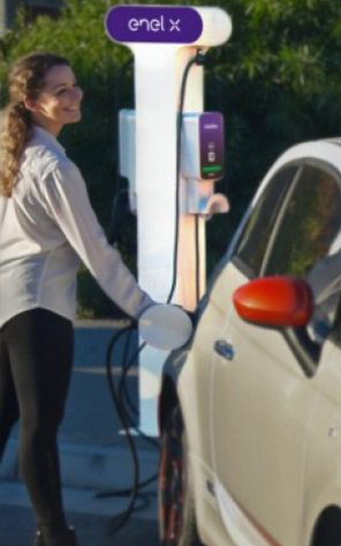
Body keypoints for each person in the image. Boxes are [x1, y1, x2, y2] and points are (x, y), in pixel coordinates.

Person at [0, 52, 157, 546]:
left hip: (8, 304)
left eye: (75, 85)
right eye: (61, 90)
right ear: (33, 102)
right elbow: (96, 252)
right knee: (40, 429)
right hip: (40, 309)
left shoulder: (14, 152)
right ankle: (54, 535)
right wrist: (146, 310)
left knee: (9, 419)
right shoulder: (53, 168)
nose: (75, 96)